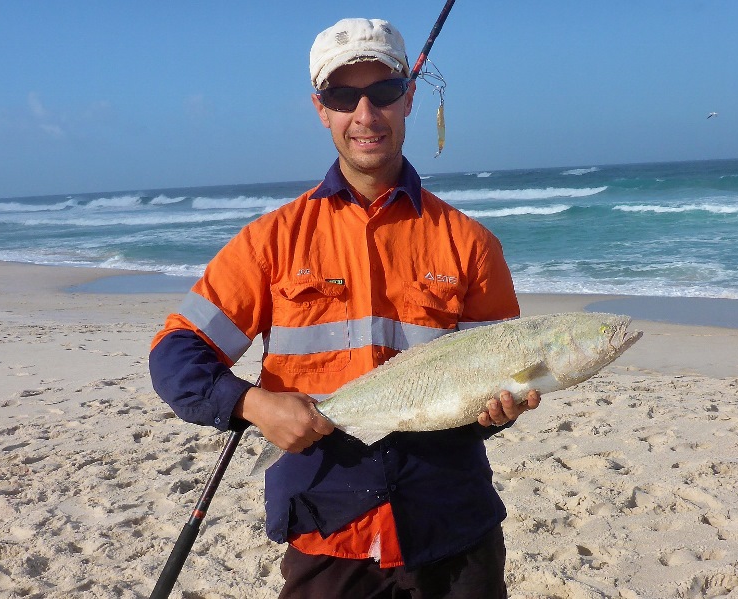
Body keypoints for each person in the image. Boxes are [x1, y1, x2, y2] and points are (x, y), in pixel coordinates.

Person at [149, 17, 540, 599]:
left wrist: (503, 408)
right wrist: (253, 404)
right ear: (321, 109)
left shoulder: (470, 243)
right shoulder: (271, 241)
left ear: (407, 99)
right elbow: (176, 353)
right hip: (328, 530)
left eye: (382, 92)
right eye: (342, 95)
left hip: (453, 530)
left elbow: (496, 375)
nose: (365, 113)